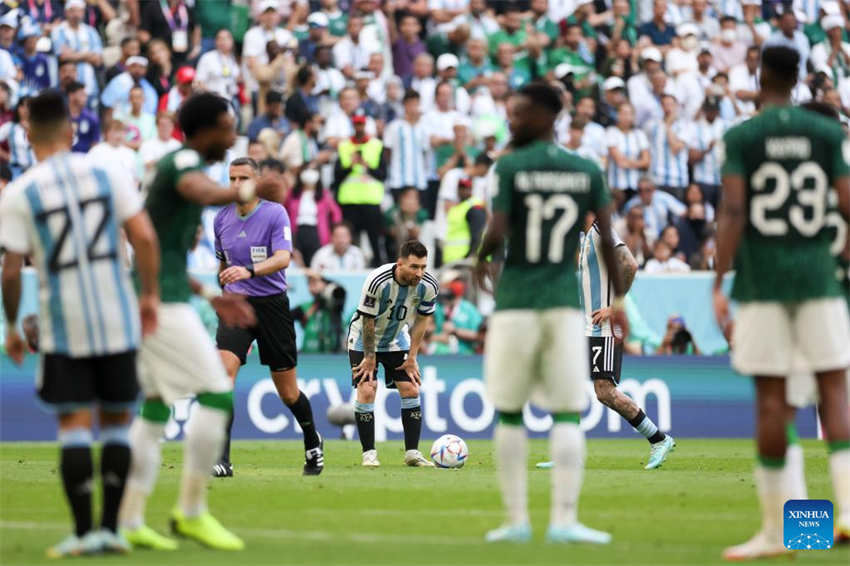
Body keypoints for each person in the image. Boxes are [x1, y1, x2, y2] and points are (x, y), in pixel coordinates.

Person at [117, 93, 281, 552]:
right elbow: (203, 193)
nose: (232, 136)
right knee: (215, 390)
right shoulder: (184, 163)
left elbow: (161, 251)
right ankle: (190, 511)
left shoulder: (182, 166)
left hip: (156, 294)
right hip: (160, 304)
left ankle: (128, 518)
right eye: (228, 127)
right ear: (208, 129)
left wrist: (209, 293)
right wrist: (248, 190)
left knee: (153, 409)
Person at [0, 89, 160, 557]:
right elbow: (144, 237)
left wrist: (11, 326)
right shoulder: (108, 170)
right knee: (115, 422)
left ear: (28, 136)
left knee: (73, 424)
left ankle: (83, 532)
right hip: (117, 315)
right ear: (72, 132)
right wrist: (148, 296)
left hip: (62, 323)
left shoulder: (21, 191)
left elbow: (10, 270)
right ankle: (112, 529)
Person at [474, 82, 628, 544]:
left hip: (517, 303)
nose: (512, 121)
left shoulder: (510, 167)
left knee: (510, 411)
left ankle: (516, 520)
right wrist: (618, 302)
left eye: (519, 113)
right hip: (563, 305)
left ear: (547, 113)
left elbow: (496, 234)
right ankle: (564, 520)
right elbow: (608, 240)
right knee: (565, 411)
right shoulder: (585, 169)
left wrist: (481, 261)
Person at [713, 46, 850, 560]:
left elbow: (733, 210)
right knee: (834, 407)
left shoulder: (750, 140)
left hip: (777, 287)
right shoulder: (830, 155)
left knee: (782, 409)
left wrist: (719, 282)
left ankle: (792, 535)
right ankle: (836, 519)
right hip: (828, 299)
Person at [212, 157, 324, 478]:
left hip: (272, 305)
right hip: (237, 304)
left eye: (243, 178)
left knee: (288, 392)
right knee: (222, 376)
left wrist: (247, 270)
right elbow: (222, 263)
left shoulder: (275, 213)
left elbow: (282, 258)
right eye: (231, 178)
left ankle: (312, 439)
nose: (236, 184)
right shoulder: (221, 219)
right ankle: (222, 459)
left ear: (256, 182)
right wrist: (224, 283)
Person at [538, 215, 674, 471]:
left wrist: (616, 306)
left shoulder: (602, 230)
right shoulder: (586, 236)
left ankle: (659, 439)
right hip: (587, 327)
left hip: (603, 328)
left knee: (605, 392)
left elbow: (630, 265)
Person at [348, 240, 438, 467]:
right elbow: (368, 319)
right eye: (414, 267)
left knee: (411, 388)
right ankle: (369, 454)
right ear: (400, 264)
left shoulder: (428, 285)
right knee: (367, 389)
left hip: (396, 339)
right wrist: (369, 358)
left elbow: (421, 320)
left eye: (423, 267)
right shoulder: (378, 280)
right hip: (363, 338)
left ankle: (412, 453)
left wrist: (412, 357)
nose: (420, 272)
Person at [332, 113, 388, 266]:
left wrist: (367, 166)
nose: (359, 128)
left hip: (371, 200)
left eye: (361, 124)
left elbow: (383, 175)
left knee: (375, 241)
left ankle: (378, 270)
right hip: (349, 202)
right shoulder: (344, 146)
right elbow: (336, 177)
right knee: (351, 242)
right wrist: (350, 166)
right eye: (356, 124)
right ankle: (351, 268)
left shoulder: (376, 145)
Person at [284, 168, 342, 267]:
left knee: (315, 260)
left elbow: (336, 213)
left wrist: (334, 230)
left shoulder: (324, 194)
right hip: (296, 232)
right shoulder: (293, 193)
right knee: (297, 260)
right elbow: (284, 210)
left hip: (316, 232)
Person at [292, 270, 348, 353]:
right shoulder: (305, 308)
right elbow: (284, 319)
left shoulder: (335, 306)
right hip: (308, 356)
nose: (313, 286)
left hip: (333, 357)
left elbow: (341, 290)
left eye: (316, 283)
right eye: (310, 283)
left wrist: (323, 280)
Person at [441, 177, 486, 264]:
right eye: (461, 188)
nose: (464, 191)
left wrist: (469, 256)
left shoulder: (474, 207)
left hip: (465, 260)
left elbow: (477, 235)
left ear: (471, 189)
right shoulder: (457, 208)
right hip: (453, 260)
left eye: (467, 188)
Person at [66, 81, 99, 153]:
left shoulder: (91, 118)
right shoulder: (60, 117)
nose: (85, 98)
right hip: (63, 158)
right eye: (82, 95)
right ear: (71, 96)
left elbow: (95, 143)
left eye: (85, 95)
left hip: (84, 159)